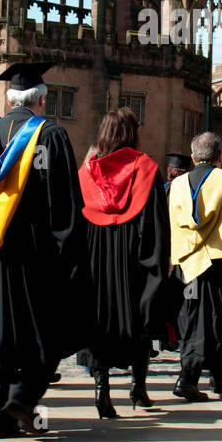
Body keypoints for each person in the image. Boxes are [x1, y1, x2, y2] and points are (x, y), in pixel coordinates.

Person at [0, 61, 86, 439]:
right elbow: (64, 205)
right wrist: (69, 256)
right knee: (44, 331)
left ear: (7, 97)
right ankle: (24, 395)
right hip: (38, 258)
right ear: (42, 100)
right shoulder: (52, 137)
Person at [75, 108, 167, 417]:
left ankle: (102, 390)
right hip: (134, 261)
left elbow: (78, 222)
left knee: (97, 321)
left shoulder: (86, 172)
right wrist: (157, 264)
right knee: (139, 321)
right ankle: (138, 388)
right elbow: (156, 225)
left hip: (96, 260)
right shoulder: (147, 170)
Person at [168, 132, 222, 398]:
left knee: (191, 317)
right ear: (220, 156)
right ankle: (216, 377)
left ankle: (188, 372)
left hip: (186, 264)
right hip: (221, 264)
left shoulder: (176, 184)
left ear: (193, 157)